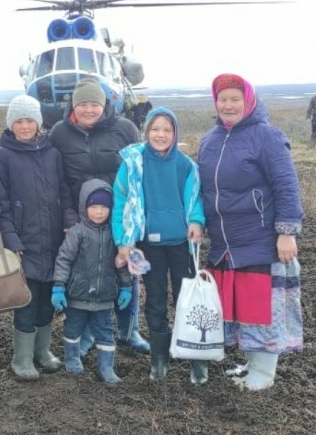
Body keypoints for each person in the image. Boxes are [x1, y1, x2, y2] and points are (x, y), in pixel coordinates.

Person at [198, 73, 304, 391]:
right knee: (241, 306)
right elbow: (204, 188)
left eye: (235, 99)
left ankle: (264, 373)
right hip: (225, 241)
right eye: (222, 99)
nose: (228, 105)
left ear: (249, 101)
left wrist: (286, 232)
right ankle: (251, 362)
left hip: (260, 239)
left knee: (261, 307)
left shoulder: (267, 136)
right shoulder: (210, 139)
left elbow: (286, 185)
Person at [50, 78, 149, 357]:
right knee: (86, 270)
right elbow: (58, 179)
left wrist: (135, 216)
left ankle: (130, 329)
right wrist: (70, 217)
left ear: (105, 105)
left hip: (121, 216)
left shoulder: (125, 129)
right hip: (82, 218)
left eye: (95, 103)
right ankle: (87, 332)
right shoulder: (59, 133)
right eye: (83, 104)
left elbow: (139, 171)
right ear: (73, 106)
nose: (89, 109)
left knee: (129, 269)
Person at [112, 107, 205, 383]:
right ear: (146, 132)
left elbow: (196, 199)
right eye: (155, 129)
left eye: (167, 129)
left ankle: (195, 359)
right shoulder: (132, 164)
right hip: (149, 247)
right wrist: (123, 242)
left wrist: (197, 221)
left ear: (175, 133)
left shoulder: (186, 165)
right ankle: (159, 358)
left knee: (186, 301)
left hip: (182, 246)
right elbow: (120, 204)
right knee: (155, 301)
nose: (160, 135)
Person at [0, 95, 78, 381]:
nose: (25, 126)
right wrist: (12, 241)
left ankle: (42, 351)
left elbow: (64, 192)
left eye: (30, 120)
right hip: (24, 244)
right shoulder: (2, 157)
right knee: (27, 299)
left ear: (38, 122)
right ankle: (22, 358)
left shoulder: (52, 153)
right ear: (11, 124)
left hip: (52, 240)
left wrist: (69, 221)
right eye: (19, 121)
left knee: (47, 300)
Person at [51, 179, 133, 384]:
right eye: (94, 207)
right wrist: (59, 287)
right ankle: (72, 357)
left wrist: (126, 287)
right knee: (73, 326)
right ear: (84, 207)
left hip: (105, 295)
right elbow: (64, 259)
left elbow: (121, 262)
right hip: (78, 293)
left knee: (105, 330)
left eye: (104, 207)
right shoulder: (77, 232)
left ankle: (106, 367)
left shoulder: (116, 234)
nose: (99, 212)